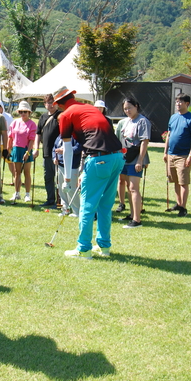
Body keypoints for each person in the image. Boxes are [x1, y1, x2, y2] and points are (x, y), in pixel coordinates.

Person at [53, 86, 123, 259]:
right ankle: (104, 247)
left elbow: (67, 149)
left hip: (99, 159)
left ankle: (84, 249)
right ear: (72, 97)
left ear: (59, 104)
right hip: (117, 158)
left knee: (87, 206)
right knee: (105, 205)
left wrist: (68, 178)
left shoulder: (65, 115)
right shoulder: (90, 108)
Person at [163, 94, 191, 217]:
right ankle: (178, 203)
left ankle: (183, 208)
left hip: (183, 155)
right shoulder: (173, 117)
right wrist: (165, 152)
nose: (178, 104)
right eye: (177, 102)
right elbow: (169, 135)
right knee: (175, 181)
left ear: (187, 103)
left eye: (181, 102)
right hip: (171, 154)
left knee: (183, 182)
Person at [116, 98, 151, 228]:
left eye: (129, 108)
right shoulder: (125, 122)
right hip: (125, 158)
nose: (127, 111)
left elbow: (144, 141)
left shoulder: (142, 121)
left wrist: (140, 161)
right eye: (125, 109)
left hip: (136, 159)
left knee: (133, 188)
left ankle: (137, 220)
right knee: (128, 188)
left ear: (136, 106)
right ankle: (131, 215)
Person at [33, 94, 62, 208]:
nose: (51, 105)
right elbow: (38, 134)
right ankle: (50, 199)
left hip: (58, 153)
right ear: (45, 104)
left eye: (53, 102)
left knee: (59, 178)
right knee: (48, 177)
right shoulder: (42, 117)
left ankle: (60, 202)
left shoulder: (60, 115)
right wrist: (36, 149)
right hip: (46, 153)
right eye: (48, 103)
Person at [7, 101, 36, 203]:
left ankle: (27, 194)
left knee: (26, 172)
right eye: (21, 112)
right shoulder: (14, 122)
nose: (23, 113)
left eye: (25, 111)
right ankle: (17, 193)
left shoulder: (32, 124)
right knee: (16, 172)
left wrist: (28, 152)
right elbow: (10, 137)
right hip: (16, 149)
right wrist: (8, 150)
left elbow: (32, 140)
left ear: (29, 112)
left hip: (25, 150)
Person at [53, 135, 82, 216]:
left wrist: (65, 150)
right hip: (60, 165)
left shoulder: (76, 136)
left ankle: (77, 211)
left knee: (71, 189)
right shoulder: (59, 136)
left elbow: (79, 148)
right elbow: (54, 148)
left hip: (72, 166)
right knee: (62, 189)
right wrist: (54, 158)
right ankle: (65, 209)